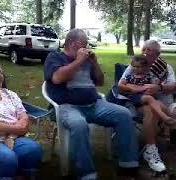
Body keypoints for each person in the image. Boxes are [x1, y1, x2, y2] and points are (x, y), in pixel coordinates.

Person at [44, 28, 140, 180]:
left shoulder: (87, 60)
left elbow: (100, 82)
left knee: (124, 114)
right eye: (85, 44)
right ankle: (87, 174)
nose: (87, 48)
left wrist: (94, 63)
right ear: (73, 43)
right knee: (78, 124)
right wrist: (78, 61)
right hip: (67, 106)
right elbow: (57, 78)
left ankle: (128, 165)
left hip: (94, 104)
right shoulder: (54, 57)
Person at [118, 40, 176, 174]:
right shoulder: (135, 66)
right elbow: (122, 86)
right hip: (144, 104)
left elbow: (172, 87)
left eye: (149, 51)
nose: (145, 53)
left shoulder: (166, 68)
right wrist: (140, 88)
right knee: (150, 109)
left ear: (158, 54)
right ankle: (150, 151)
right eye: (144, 50)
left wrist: (159, 87)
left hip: (167, 104)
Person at [119, 55, 176, 125]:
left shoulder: (148, 76)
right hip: (135, 98)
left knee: (162, 106)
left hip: (147, 98)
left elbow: (155, 84)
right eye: (133, 66)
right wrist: (131, 88)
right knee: (149, 98)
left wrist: (156, 82)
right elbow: (120, 85)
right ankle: (164, 117)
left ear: (144, 68)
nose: (135, 68)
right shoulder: (129, 77)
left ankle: (166, 130)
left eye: (138, 67)